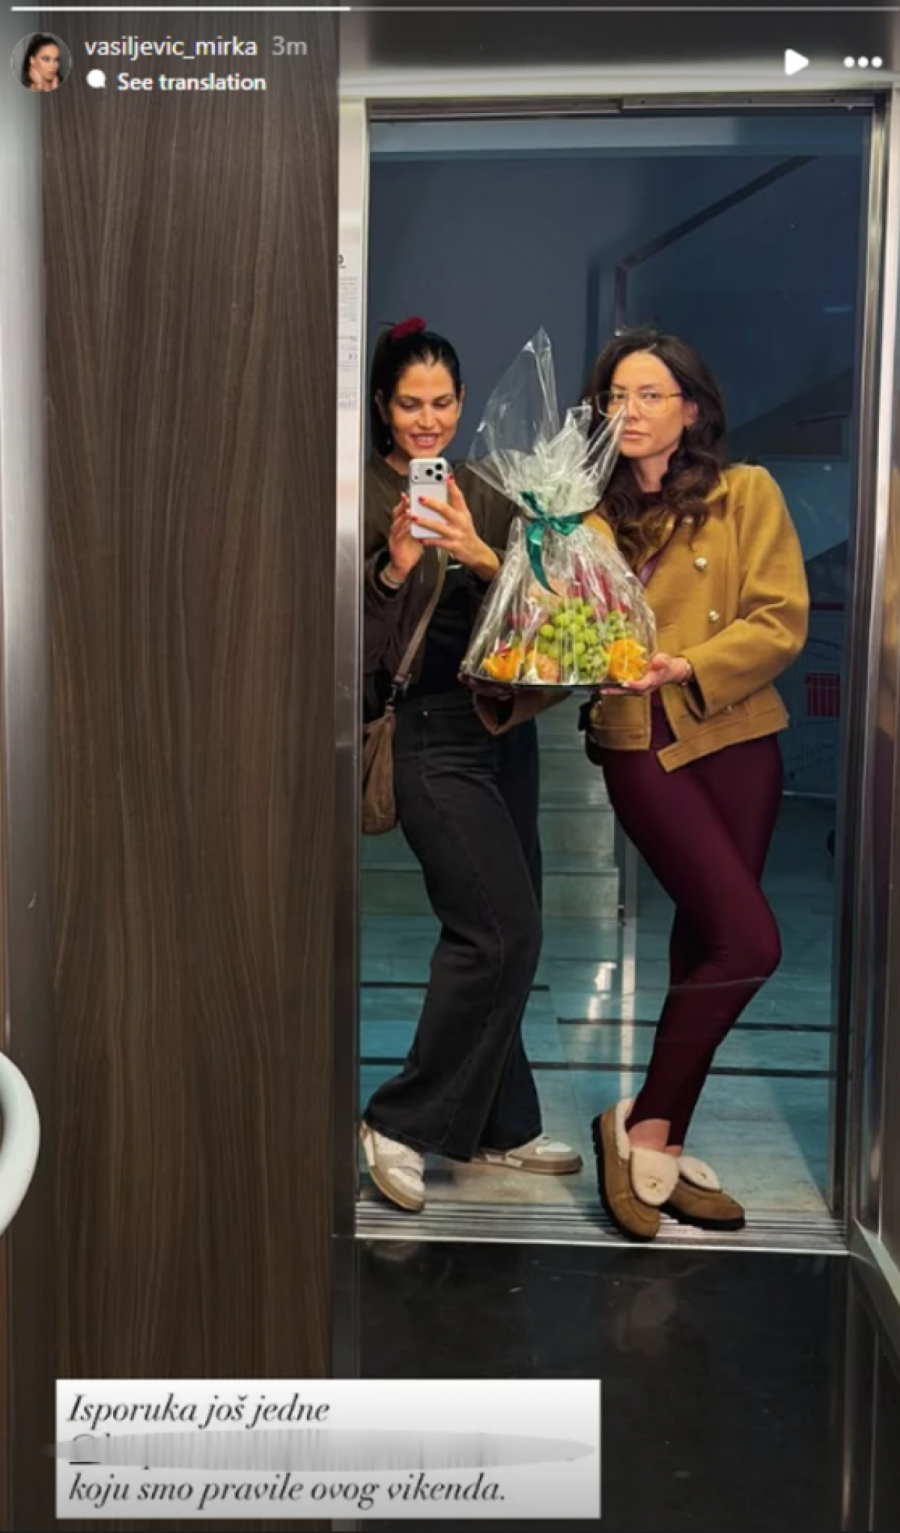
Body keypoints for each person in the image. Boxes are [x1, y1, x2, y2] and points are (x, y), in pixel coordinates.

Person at [582, 326, 809, 1241]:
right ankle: (644, 1128)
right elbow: (563, 625)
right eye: (615, 397)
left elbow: (781, 616)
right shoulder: (583, 516)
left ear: (690, 407)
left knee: (708, 944)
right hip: (638, 738)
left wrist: (690, 663)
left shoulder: (745, 492)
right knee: (750, 940)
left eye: (649, 394)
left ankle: (660, 1137)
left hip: (738, 732)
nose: (629, 411)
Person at [360, 317, 582, 1212]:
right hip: (426, 731)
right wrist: (392, 570)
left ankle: (501, 1121)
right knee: (496, 929)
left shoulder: (489, 491)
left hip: (503, 728)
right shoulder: (358, 494)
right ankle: (397, 1120)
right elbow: (353, 653)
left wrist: (484, 556)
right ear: (382, 406)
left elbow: (543, 615)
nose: (428, 420)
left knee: (517, 923)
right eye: (410, 404)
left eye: (443, 402)